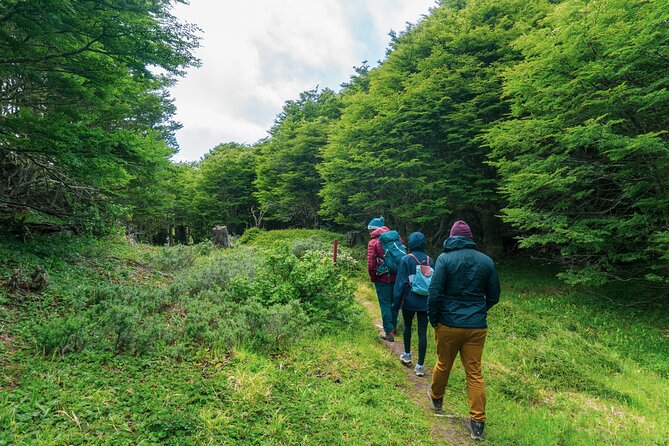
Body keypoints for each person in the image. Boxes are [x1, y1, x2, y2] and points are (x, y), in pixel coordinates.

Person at [426, 220, 500, 441]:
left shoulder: (445, 259)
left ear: (452, 237)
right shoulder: (486, 261)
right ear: (470, 237)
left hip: (448, 324)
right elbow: (494, 295)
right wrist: (478, 310)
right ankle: (477, 423)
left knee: (443, 364)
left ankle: (437, 398)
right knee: (474, 373)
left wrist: (434, 320)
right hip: (476, 327)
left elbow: (435, 292)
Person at [392, 232, 434, 377]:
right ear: (423, 243)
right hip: (425, 301)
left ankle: (407, 355)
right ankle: (420, 366)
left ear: (410, 243)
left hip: (409, 300)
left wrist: (395, 304)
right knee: (423, 332)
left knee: (408, 326)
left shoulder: (406, 259)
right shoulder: (430, 260)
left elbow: (401, 283)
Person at [367, 216, 398, 342]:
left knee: (385, 304)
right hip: (397, 277)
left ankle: (389, 332)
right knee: (394, 303)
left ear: (373, 230)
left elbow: (371, 263)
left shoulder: (373, 242)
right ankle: (394, 327)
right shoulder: (396, 238)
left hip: (383, 278)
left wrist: (373, 277)